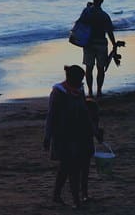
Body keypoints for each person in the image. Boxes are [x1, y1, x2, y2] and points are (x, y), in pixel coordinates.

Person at [44, 65, 96, 209]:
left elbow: (85, 112)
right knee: (73, 168)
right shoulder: (58, 92)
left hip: (78, 134)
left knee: (66, 167)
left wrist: (94, 131)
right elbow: (51, 116)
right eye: (79, 79)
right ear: (71, 78)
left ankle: (57, 195)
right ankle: (76, 201)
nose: (81, 82)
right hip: (63, 135)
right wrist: (47, 137)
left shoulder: (79, 90)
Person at [79, 0, 117, 97]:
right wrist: (114, 44)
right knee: (101, 69)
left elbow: (80, 24)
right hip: (101, 44)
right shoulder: (104, 15)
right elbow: (109, 31)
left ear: (93, 0)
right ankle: (99, 91)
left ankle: (90, 91)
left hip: (88, 43)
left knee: (89, 68)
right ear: (102, 1)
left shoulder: (86, 12)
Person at [79, 97, 104, 204]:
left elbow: (97, 136)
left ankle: (83, 194)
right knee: (84, 171)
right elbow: (97, 136)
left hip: (85, 146)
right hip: (84, 146)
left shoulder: (89, 119)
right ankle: (84, 194)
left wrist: (99, 134)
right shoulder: (87, 120)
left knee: (82, 171)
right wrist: (99, 134)